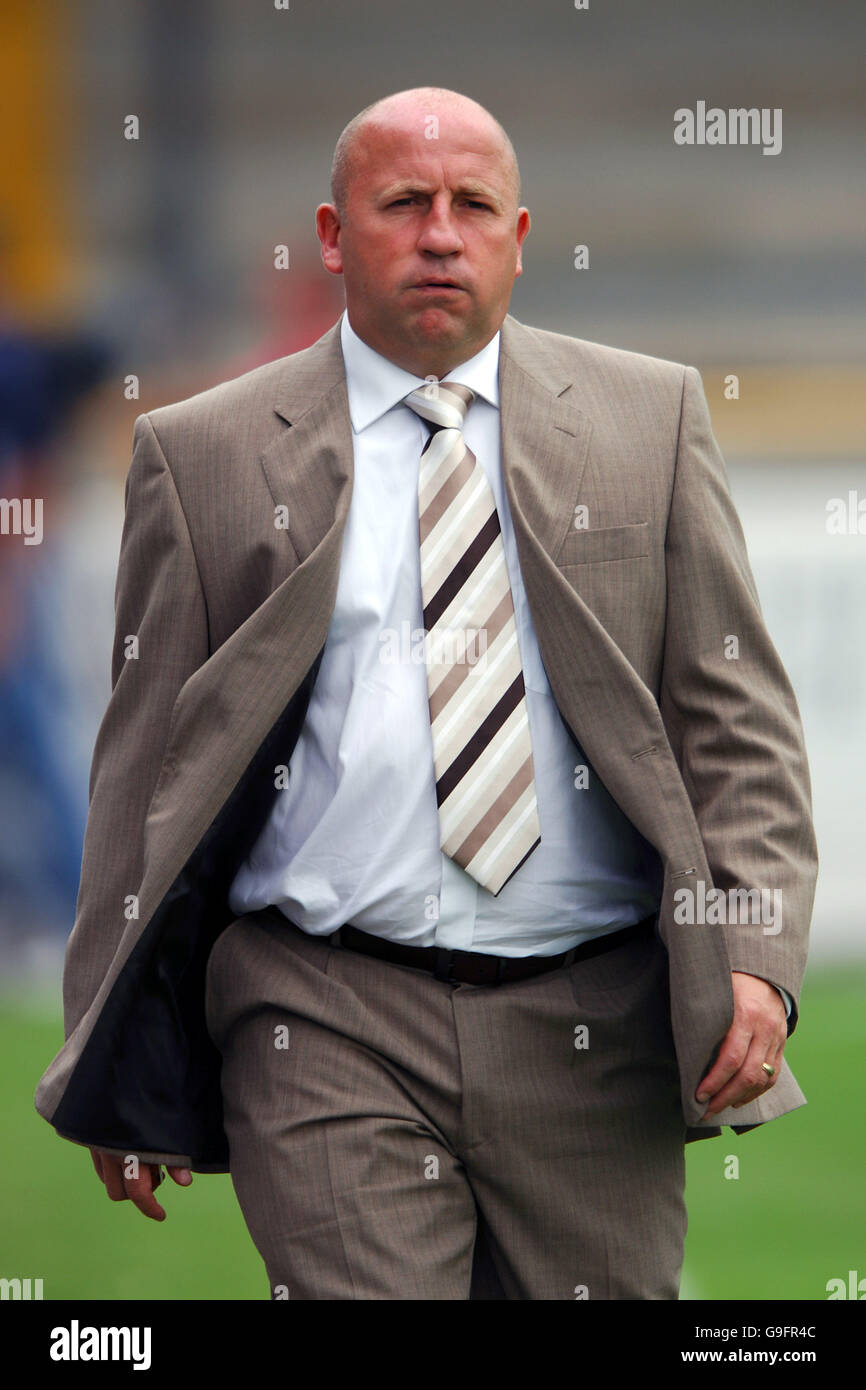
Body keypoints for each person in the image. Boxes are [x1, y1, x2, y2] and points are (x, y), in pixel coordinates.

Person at [35, 86, 818, 1300]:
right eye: (403, 204)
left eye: (471, 207)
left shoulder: (649, 419)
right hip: (321, 1013)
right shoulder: (202, 456)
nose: (440, 233)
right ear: (334, 235)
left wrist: (758, 951)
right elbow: (143, 770)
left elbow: (737, 724)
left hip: (591, 1024)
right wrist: (111, 1051)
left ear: (518, 235)